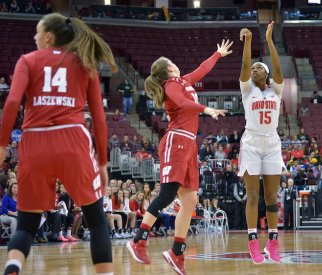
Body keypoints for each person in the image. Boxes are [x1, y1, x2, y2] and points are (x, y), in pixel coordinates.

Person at [0, 13, 115, 274]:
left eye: (37, 32)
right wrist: (103, 162)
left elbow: (11, 104)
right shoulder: (85, 63)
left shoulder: (27, 60)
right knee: (96, 221)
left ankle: (13, 268)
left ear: (48, 36)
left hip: (34, 140)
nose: (34, 37)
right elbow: (98, 118)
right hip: (72, 139)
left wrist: (2, 146)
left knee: (27, 225)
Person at [125, 39, 232, 274]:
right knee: (167, 193)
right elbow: (183, 102)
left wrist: (217, 54)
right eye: (173, 63)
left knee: (191, 200)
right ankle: (138, 240)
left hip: (189, 143)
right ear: (169, 69)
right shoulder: (170, 84)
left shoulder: (183, 81)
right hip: (177, 140)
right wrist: (206, 109)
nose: (176, 65)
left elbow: (201, 70)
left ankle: (176, 252)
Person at [238, 22, 285, 264]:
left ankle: (273, 243)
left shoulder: (275, 90)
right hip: (251, 142)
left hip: (272, 143)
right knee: (253, 195)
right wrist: (247, 41)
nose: (253, 70)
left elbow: (278, 68)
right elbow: (245, 65)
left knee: (271, 197)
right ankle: (253, 241)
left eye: (258, 68)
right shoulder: (247, 90)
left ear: (266, 74)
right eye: (253, 68)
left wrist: (268, 40)